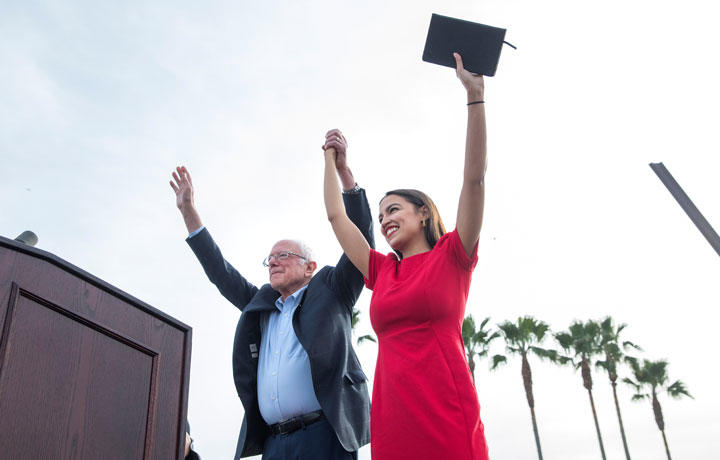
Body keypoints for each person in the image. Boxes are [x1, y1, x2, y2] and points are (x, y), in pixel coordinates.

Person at [321, 53, 490, 460]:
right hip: (393, 419)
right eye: (380, 217)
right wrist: (332, 160)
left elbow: (474, 176)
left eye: (393, 210)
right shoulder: (381, 271)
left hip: (446, 412)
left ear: (424, 213)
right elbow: (335, 216)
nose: (384, 221)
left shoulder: (454, 254)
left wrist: (475, 97)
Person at [169, 145, 374, 460]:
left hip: (323, 436)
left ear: (310, 267)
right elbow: (220, 273)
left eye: (284, 255)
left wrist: (345, 176)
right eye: (270, 258)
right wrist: (188, 213)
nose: (273, 263)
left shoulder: (332, 289)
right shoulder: (261, 305)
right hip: (275, 443)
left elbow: (359, 241)